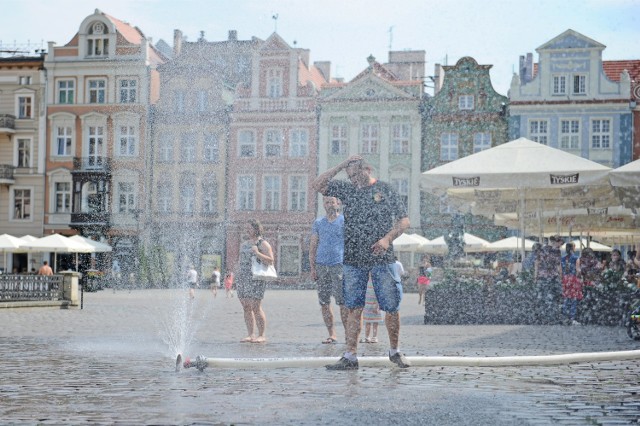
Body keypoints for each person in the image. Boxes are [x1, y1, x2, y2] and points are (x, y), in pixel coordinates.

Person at [312, 154, 411, 370]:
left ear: (367, 169)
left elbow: (404, 220)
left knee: (391, 306)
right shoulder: (348, 190)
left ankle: (395, 351)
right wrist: (341, 165)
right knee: (353, 307)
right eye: (350, 176)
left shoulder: (385, 189)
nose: (353, 180)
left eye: (356, 174)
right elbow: (317, 184)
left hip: (382, 257)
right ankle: (350, 356)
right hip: (353, 258)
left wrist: (386, 239)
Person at [309, 196, 347, 344]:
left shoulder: (344, 221)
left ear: (338, 203)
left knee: (342, 302)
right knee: (324, 302)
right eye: (326, 202)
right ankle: (332, 334)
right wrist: (312, 267)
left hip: (339, 265)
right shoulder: (319, 223)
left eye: (332, 201)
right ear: (323, 205)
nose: (329, 204)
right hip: (321, 265)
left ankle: (348, 334)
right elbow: (313, 246)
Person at [236, 219, 274, 343]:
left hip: (256, 277)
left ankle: (262, 334)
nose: (247, 230)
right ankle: (250, 334)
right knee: (246, 306)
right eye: (246, 228)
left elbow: (270, 261)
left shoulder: (263, 244)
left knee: (256, 306)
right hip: (243, 277)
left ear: (257, 229)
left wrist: (257, 253)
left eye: (250, 228)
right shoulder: (244, 244)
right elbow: (241, 260)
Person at [534, 235, 563, 324]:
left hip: (542, 276)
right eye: (560, 244)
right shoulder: (557, 251)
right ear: (556, 242)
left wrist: (535, 276)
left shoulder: (541, 250)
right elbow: (558, 265)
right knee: (552, 297)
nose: (560, 246)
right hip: (552, 277)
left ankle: (541, 318)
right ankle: (551, 318)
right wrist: (560, 276)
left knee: (542, 297)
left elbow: (537, 263)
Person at [561, 243, 582, 325]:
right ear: (573, 248)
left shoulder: (562, 258)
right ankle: (572, 318)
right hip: (573, 280)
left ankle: (565, 317)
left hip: (565, 279)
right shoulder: (576, 258)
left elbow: (560, 271)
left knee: (566, 299)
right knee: (574, 299)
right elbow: (578, 270)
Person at [360, 277, 383, 343]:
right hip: (367, 305)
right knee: (367, 322)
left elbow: (379, 294)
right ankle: (367, 337)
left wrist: (377, 305)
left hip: (375, 305)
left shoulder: (377, 282)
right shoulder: (365, 281)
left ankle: (374, 337)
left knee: (375, 322)